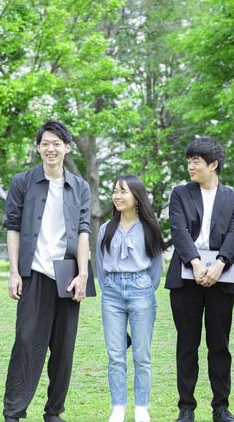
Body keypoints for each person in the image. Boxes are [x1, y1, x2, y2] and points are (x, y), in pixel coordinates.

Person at [2, 120, 92, 422]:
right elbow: (13, 228)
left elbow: (83, 231)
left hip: (67, 274)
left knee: (64, 348)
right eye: (45, 144)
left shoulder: (80, 187)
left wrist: (83, 274)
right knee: (26, 342)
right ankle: (13, 412)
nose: (50, 149)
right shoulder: (23, 182)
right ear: (39, 148)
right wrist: (14, 272)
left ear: (67, 148)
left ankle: (54, 412)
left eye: (56, 144)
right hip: (35, 272)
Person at [165, 137, 234, 422]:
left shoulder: (233, 198)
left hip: (222, 277)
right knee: (187, 344)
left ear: (213, 165)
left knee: (219, 345)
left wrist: (219, 264)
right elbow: (179, 231)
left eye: (196, 161)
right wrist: (196, 263)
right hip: (186, 278)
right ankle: (186, 408)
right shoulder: (179, 194)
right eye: (189, 161)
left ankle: (221, 407)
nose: (191, 166)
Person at [96, 175, 167, 422]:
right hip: (112, 294)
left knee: (141, 354)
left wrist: (145, 286)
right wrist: (108, 287)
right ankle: (118, 407)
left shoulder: (149, 228)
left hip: (141, 291)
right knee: (115, 355)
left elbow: (156, 266)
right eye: (115, 191)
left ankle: (141, 407)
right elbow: (100, 263)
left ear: (136, 197)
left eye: (123, 191)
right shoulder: (106, 229)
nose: (117, 196)